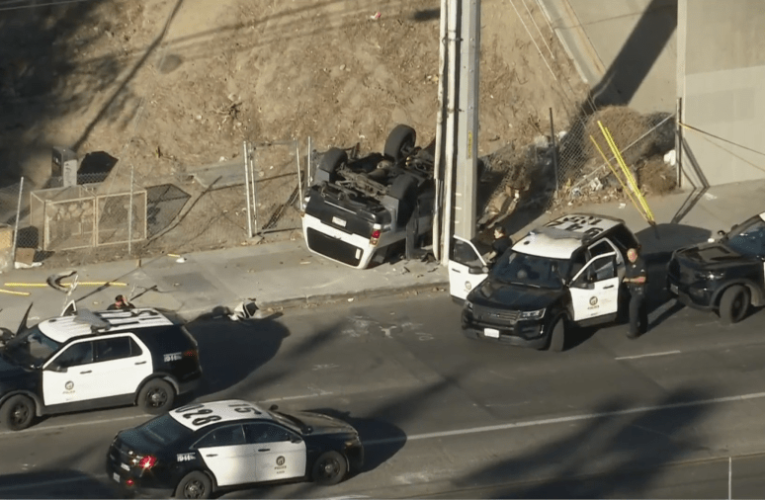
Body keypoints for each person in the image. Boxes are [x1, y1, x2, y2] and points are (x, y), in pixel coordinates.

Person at [623, 247, 648, 338]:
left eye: (632, 255)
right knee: (641, 309)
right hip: (632, 290)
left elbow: (642, 279)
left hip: (640, 290)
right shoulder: (629, 265)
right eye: (628, 256)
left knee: (633, 308)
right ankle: (643, 327)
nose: (630, 257)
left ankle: (633, 332)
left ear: (635, 255)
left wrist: (629, 280)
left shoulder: (641, 263)